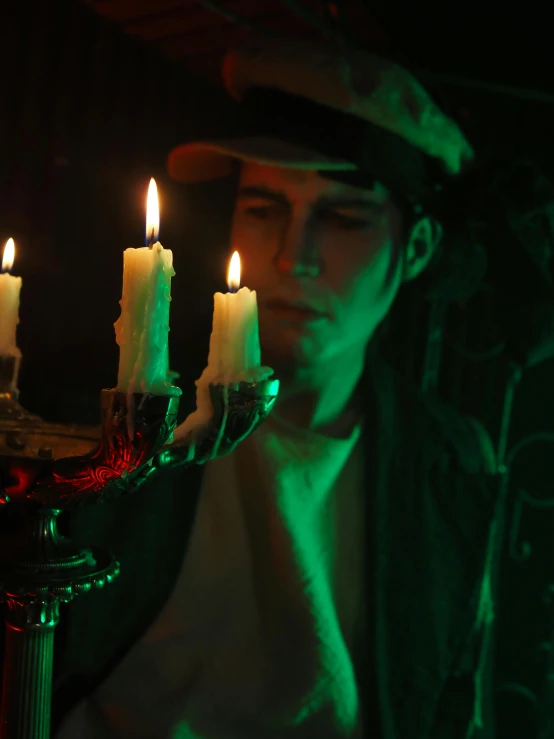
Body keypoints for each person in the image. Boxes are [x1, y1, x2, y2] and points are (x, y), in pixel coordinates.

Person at [51, 36, 499, 738]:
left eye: (345, 216)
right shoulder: (112, 410)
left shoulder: (450, 463)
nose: (295, 256)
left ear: (415, 249)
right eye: (263, 207)